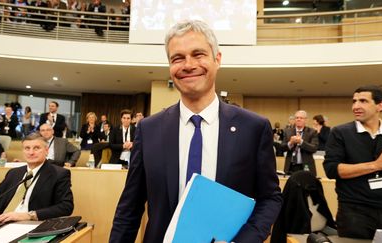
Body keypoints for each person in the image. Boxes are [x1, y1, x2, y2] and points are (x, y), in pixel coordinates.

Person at [109, 20, 282, 243]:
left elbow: (270, 198)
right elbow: (129, 207)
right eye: (177, 58)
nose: (188, 65)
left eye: (198, 54)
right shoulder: (149, 129)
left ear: (217, 59)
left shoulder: (253, 128)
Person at [323, 85, 382, 239]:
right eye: (354, 101)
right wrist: (377, 164)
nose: (356, 106)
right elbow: (332, 170)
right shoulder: (340, 132)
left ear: (380, 105)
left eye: (363, 101)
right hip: (353, 213)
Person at [0, 133, 74, 223]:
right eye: (27, 148)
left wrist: (29, 215)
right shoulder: (14, 173)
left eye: (36, 148)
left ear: (46, 151)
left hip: (31, 225)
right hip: (0, 222)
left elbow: (66, 207)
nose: (31, 152)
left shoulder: (59, 174)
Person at [282, 110, 319, 176]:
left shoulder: (312, 132)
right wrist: (290, 143)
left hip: (305, 166)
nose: (298, 119)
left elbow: (314, 148)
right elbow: (282, 148)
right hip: (290, 167)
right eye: (297, 118)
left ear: (306, 120)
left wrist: (301, 142)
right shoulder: (287, 131)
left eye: (301, 118)